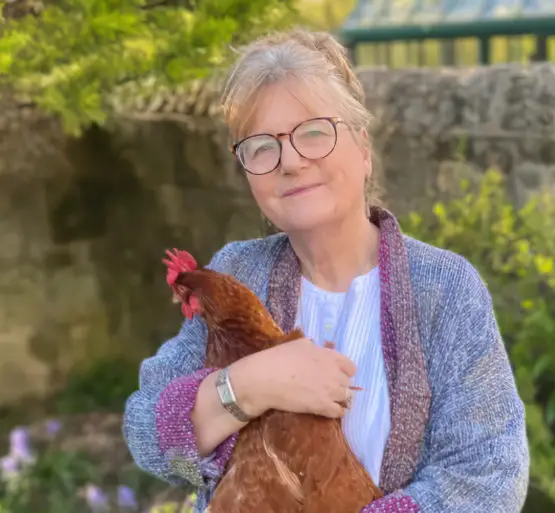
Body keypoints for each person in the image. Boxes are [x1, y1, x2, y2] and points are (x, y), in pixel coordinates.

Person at [122, 27, 530, 513]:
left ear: (362, 148)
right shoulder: (237, 271)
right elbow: (145, 429)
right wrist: (251, 385)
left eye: (313, 131)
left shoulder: (444, 288)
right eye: (261, 146)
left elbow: (490, 472)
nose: (290, 161)